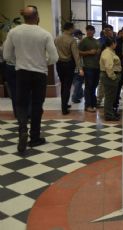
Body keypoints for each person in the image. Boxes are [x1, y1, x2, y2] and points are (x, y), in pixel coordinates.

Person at [3, 5, 59, 153]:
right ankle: (35, 138)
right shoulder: (44, 34)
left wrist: (19, 61)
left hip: (21, 72)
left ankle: (22, 130)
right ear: (37, 17)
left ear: (24, 17)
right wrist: (43, 62)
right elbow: (54, 57)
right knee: (36, 105)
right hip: (39, 74)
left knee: (21, 103)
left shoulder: (13, 32)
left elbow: (6, 55)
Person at [55, 22, 83, 115]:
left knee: (63, 85)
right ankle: (64, 108)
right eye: (73, 28)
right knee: (67, 86)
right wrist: (80, 68)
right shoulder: (72, 40)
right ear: (70, 28)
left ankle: (65, 104)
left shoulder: (57, 38)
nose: (74, 29)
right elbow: (76, 55)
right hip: (68, 65)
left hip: (59, 64)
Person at [79, 25, 100, 113]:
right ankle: (87, 105)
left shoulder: (96, 41)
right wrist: (88, 52)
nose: (90, 32)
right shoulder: (84, 41)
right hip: (88, 67)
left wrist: (99, 52)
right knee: (88, 86)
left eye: (91, 30)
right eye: (88, 30)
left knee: (94, 86)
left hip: (97, 67)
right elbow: (78, 52)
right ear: (86, 31)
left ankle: (93, 104)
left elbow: (99, 51)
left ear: (94, 31)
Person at [99, 37, 121, 121]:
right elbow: (108, 67)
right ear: (113, 44)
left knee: (111, 96)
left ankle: (110, 112)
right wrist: (114, 77)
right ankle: (108, 115)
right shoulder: (107, 53)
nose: (116, 45)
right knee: (109, 96)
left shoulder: (110, 51)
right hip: (109, 77)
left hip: (109, 76)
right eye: (115, 43)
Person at [98, 24, 114, 107]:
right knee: (102, 85)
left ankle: (110, 103)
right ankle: (99, 100)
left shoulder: (115, 40)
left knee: (112, 86)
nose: (107, 32)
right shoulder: (100, 41)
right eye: (105, 30)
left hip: (114, 66)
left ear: (112, 31)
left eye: (109, 30)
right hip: (103, 66)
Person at [71, 29, 85, 104]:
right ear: (78, 35)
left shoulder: (71, 41)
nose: (82, 37)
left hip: (71, 65)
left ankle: (80, 94)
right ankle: (75, 97)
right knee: (78, 82)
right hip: (78, 64)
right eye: (81, 35)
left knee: (76, 81)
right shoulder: (78, 42)